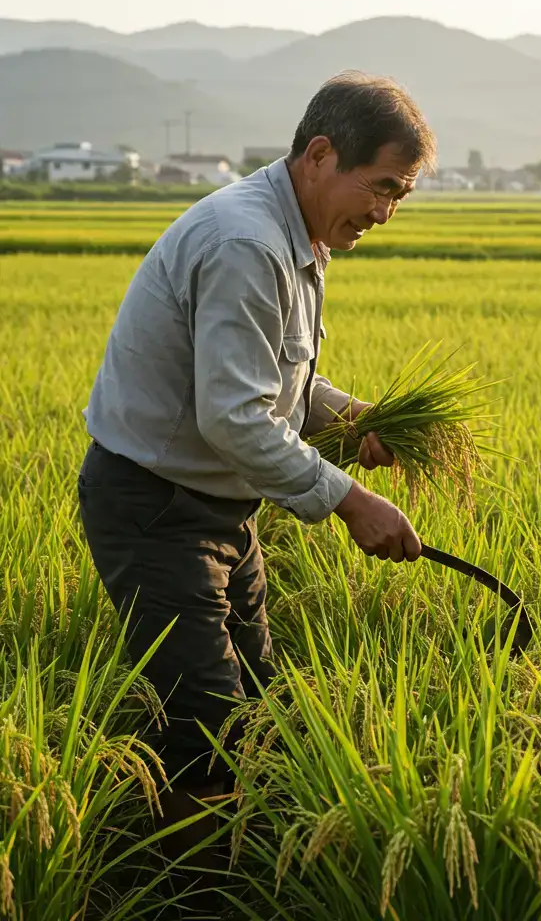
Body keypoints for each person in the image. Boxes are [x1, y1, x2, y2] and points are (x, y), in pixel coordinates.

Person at [76, 71, 436, 890]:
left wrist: (354, 419)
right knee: (205, 717)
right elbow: (234, 419)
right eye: (380, 187)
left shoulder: (300, 236)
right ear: (319, 155)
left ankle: (252, 867)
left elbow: (280, 386)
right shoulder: (248, 243)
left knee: (258, 698)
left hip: (221, 507)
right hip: (157, 508)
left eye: (401, 196)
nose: (384, 213)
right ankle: (198, 893)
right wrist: (351, 500)